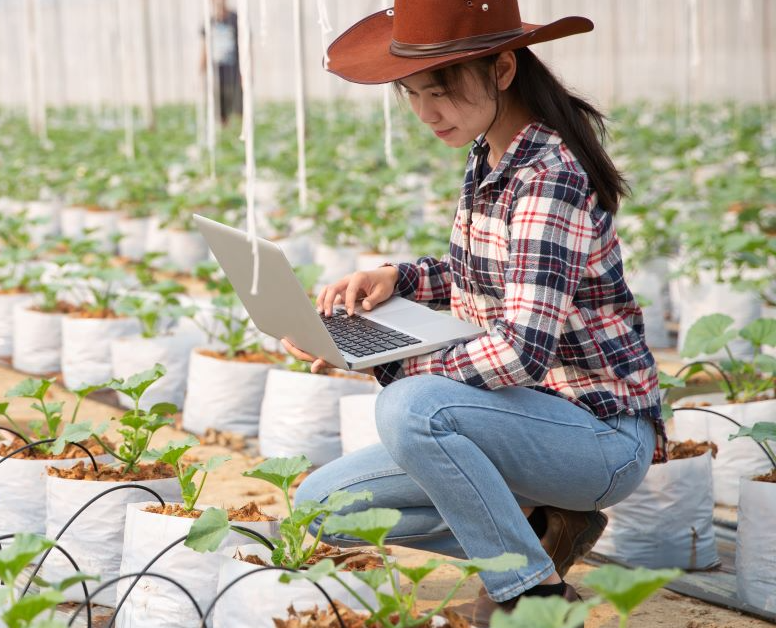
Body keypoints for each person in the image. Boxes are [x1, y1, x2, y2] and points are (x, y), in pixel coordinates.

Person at [280, 2, 663, 626]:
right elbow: (479, 273)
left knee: (410, 406)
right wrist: (395, 278)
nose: (427, 112)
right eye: (412, 92)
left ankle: (530, 595)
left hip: (597, 437)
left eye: (443, 90)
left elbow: (519, 351)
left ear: (504, 68)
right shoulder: (490, 154)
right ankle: (546, 528)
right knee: (318, 507)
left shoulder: (546, 176)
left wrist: (383, 360)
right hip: (518, 425)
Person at [200, 0, 242, 126]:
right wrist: (201, 70)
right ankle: (225, 134)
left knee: (239, 107)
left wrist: (246, 72)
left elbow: (245, 46)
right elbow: (205, 48)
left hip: (234, 72)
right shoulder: (210, 22)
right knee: (220, 110)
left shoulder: (236, 19)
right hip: (217, 74)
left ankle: (240, 135)